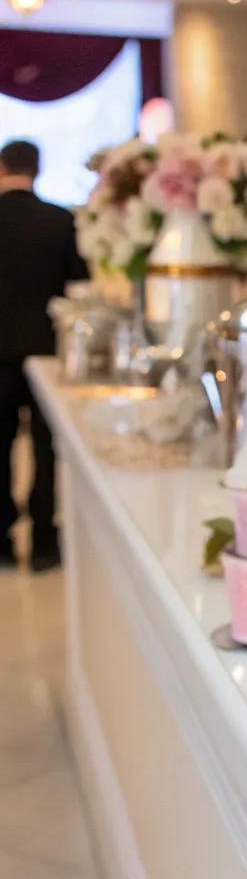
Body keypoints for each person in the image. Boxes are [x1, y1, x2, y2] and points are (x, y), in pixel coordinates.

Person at [0, 139, 89, 570]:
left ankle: (1, 540)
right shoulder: (59, 219)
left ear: (2, 168)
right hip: (45, 351)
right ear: (36, 170)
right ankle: (43, 543)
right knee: (44, 447)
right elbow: (79, 281)